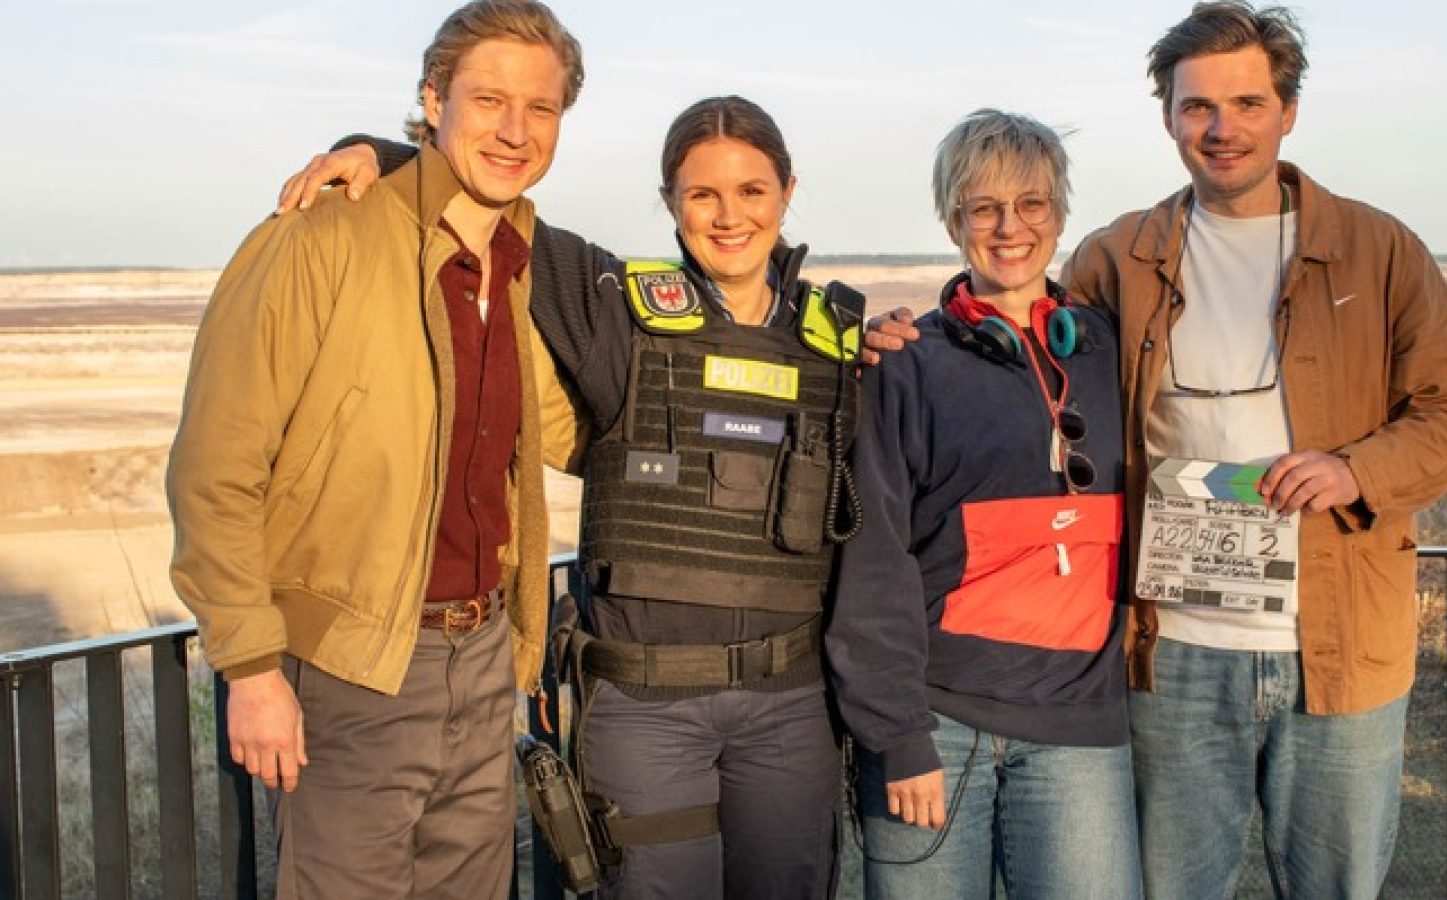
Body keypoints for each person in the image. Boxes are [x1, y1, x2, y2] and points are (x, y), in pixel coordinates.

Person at [282, 95, 865, 900]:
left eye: (752, 191)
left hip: (789, 711)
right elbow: (491, 206)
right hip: (646, 712)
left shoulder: (840, 342)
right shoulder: (616, 312)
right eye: (702, 194)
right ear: (670, 203)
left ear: (787, 193)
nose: (729, 216)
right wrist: (379, 153)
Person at [1060, 3, 1447, 897]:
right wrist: (924, 333)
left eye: (1248, 104)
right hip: (1170, 649)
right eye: (1197, 107)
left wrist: (1355, 470)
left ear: (1288, 111)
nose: (1222, 130)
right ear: (1168, 115)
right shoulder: (1116, 256)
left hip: (1338, 653)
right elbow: (1038, 370)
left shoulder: (1379, 250)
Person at [165, 2, 587, 897]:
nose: (514, 131)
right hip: (346, 669)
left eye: (540, 109)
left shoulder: (521, 266)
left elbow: (580, 428)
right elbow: (215, 467)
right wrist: (249, 668)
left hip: (481, 660)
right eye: (488, 101)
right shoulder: (317, 237)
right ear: (433, 99)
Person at [827, 109, 1141, 900]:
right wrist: (897, 736)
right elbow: (873, 558)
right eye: (983, 208)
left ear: (1060, 212)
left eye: (1031, 204)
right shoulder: (907, 363)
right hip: (936, 726)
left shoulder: (1110, 351)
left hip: (1078, 729)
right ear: (953, 220)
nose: (1010, 228)